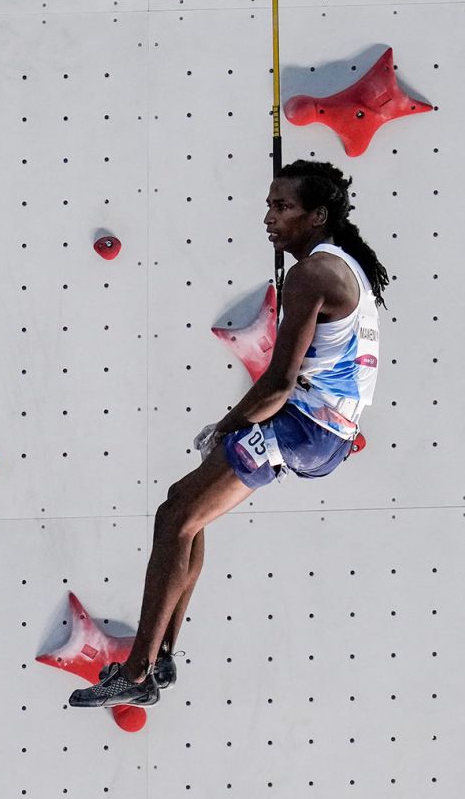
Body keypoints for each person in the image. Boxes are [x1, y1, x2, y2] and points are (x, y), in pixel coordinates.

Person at [70, 160, 388, 708]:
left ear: (318, 215)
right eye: (268, 204)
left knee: (176, 518)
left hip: (304, 425)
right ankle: (161, 657)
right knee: (182, 511)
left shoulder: (312, 274)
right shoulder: (342, 265)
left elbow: (281, 381)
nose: (268, 217)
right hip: (322, 430)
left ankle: (139, 670)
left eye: (282, 207)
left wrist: (229, 425)